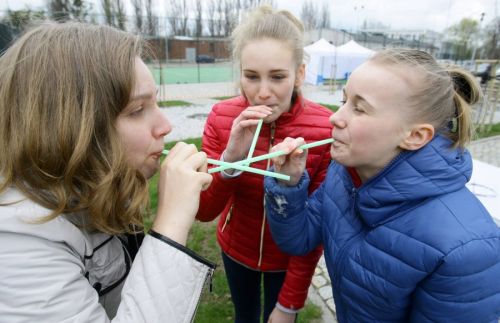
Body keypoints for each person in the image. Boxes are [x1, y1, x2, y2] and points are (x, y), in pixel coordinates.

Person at [264, 49, 500, 322]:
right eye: (344, 100)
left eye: (360, 108)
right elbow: (297, 239)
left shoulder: (467, 251)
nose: (335, 117)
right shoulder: (344, 174)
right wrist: (288, 184)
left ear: (415, 135)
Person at [0, 22, 215, 322]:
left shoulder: (97, 183)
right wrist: (172, 221)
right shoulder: (17, 243)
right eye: (137, 110)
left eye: (156, 101)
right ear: (71, 128)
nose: (166, 126)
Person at [196, 5, 333, 323]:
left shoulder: (325, 130)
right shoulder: (221, 117)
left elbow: (317, 228)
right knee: (245, 316)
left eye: (278, 77)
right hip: (235, 248)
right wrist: (231, 161)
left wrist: (288, 306)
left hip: (288, 258)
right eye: (251, 76)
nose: (262, 92)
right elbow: (204, 210)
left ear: (299, 74)